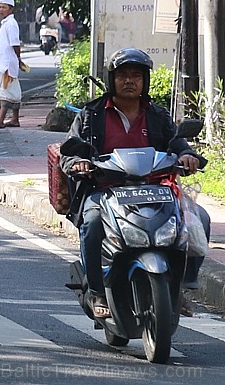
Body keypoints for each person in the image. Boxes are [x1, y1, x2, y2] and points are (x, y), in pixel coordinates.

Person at [60, 48, 209, 319]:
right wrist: (77, 164)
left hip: (155, 190)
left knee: (200, 218)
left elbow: (176, 142)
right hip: (105, 191)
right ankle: (96, 291)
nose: (130, 81)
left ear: (145, 81)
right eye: (123, 75)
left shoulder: (157, 115)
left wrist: (187, 155)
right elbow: (70, 150)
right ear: (111, 80)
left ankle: (180, 288)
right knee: (91, 223)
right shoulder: (91, 114)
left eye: (136, 76)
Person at [0, 0, 26, 128]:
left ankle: (0, 120)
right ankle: (14, 119)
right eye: (0, 7)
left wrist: (18, 59)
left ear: (11, 9)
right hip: (4, 63)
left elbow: (15, 44)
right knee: (12, 90)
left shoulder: (11, 24)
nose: (0, 10)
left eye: (4, 7)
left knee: (5, 91)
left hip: (7, 63)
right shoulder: (7, 23)